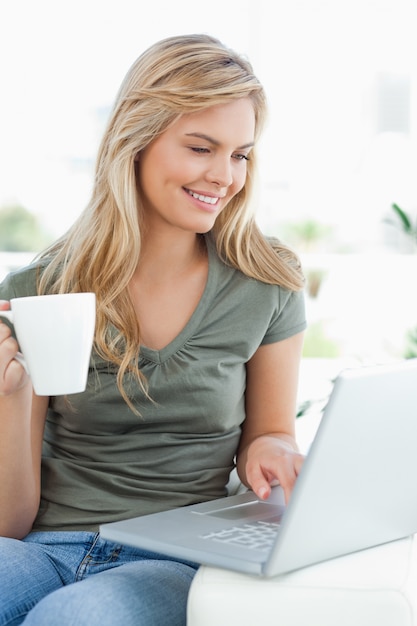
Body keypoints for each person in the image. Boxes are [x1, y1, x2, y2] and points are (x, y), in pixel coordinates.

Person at [0, 33, 306, 625]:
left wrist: (272, 449)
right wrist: (10, 396)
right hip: (44, 547)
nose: (225, 175)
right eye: (200, 148)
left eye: (240, 154)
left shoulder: (265, 283)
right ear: (135, 142)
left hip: (170, 559)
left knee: (78, 617)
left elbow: (270, 435)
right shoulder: (39, 291)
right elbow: (9, 525)